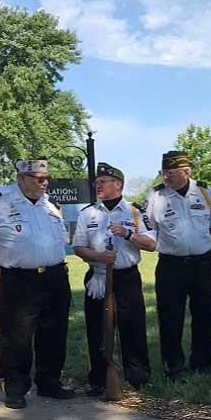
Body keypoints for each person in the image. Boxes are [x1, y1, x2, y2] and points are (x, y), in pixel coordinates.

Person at [0, 158, 75, 409]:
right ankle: (15, 386)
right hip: (17, 279)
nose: (44, 182)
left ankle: (49, 382)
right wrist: (4, 264)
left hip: (54, 276)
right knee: (14, 335)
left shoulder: (52, 205)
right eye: (38, 178)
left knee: (54, 332)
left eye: (46, 178)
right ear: (21, 178)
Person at [72, 163, 157, 395]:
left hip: (127, 278)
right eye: (96, 183)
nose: (98, 186)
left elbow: (151, 244)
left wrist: (128, 234)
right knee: (97, 329)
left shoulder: (135, 211)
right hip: (98, 277)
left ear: (118, 184)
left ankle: (138, 376)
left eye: (103, 182)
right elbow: (78, 247)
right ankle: (99, 378)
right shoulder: (87, 213)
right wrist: (98, 256)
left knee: (133, 326)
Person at [144, 150, 211, 381]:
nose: (166, 177)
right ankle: (174, 367)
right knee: (170, 316)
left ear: (186, 172)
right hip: (171, 265)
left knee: (205, 315)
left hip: (203, 263)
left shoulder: (205, 192)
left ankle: (202, 363)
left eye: (171, 172)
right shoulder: (156, 197)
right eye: (164, 172)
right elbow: (151, 230)